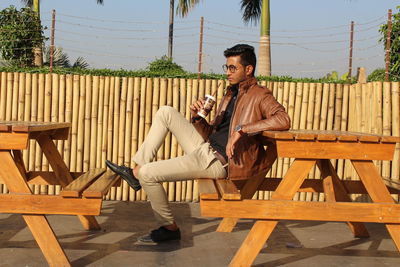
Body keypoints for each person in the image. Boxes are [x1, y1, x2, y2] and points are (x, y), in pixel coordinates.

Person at [106, 44, 290, 243]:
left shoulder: (260, 95)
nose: (227, 72)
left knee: (148, 174)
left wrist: (243, 129)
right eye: (226, 67)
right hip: (206, 148)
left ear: (248, 69)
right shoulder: (230, 94)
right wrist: (197, 117)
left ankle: (169, 228)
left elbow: (283, 120)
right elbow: (210, 133)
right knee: (166, 112)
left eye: (232, 68)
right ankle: (136, 169)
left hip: (217, 161)